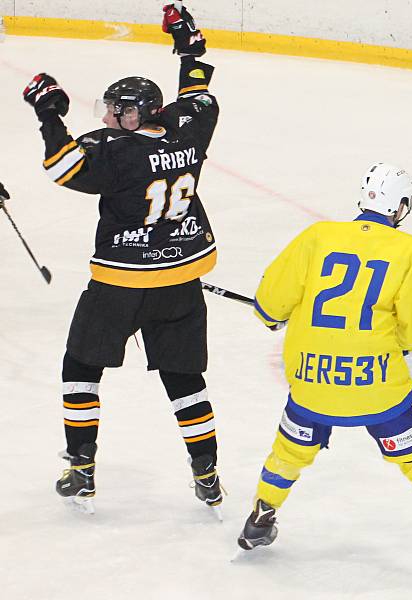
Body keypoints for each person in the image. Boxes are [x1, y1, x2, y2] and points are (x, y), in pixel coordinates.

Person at [236, 163, 412, 589]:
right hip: (379, 389)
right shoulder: (411, 251)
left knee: (289, 453)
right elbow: (408, 334)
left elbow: (268, 305)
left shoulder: (316, 236)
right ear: (402, 206)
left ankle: (260, 518)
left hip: (312, 384)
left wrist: (278, 316)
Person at [23, 3, 224, 513]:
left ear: (139, 113)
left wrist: (49, 112)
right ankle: (207, 473)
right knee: (185, 381)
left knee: (80, 367)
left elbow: (63, 167)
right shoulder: (187, 128)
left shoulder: (117, 152)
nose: (110, 117)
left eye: (118, 110)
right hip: (180, 281)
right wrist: (187, 40)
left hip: (120, 284)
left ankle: (82, 468)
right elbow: (197, 86)